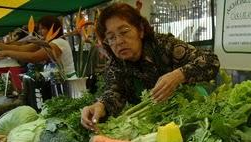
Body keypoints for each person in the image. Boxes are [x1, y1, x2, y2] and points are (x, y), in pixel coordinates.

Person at [81, 3, 220, 131]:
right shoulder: (116, 63)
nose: (119, 41)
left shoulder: (164, 45)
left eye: (124, 32)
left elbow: (210, 61)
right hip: (157, 119)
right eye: (111, 37)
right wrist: (100, 106)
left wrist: (178, 75)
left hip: (193, 112)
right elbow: (115, 92)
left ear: (140, 30)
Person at [0, 16, 76, 78]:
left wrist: (6, 53)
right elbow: (22, 49)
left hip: (69, 80)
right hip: (60, 78)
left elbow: (33, 57)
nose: (39, 32)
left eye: (42, 28)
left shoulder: (58, 43)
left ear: (52, 29)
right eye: (39, 29)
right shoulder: (46, 42)